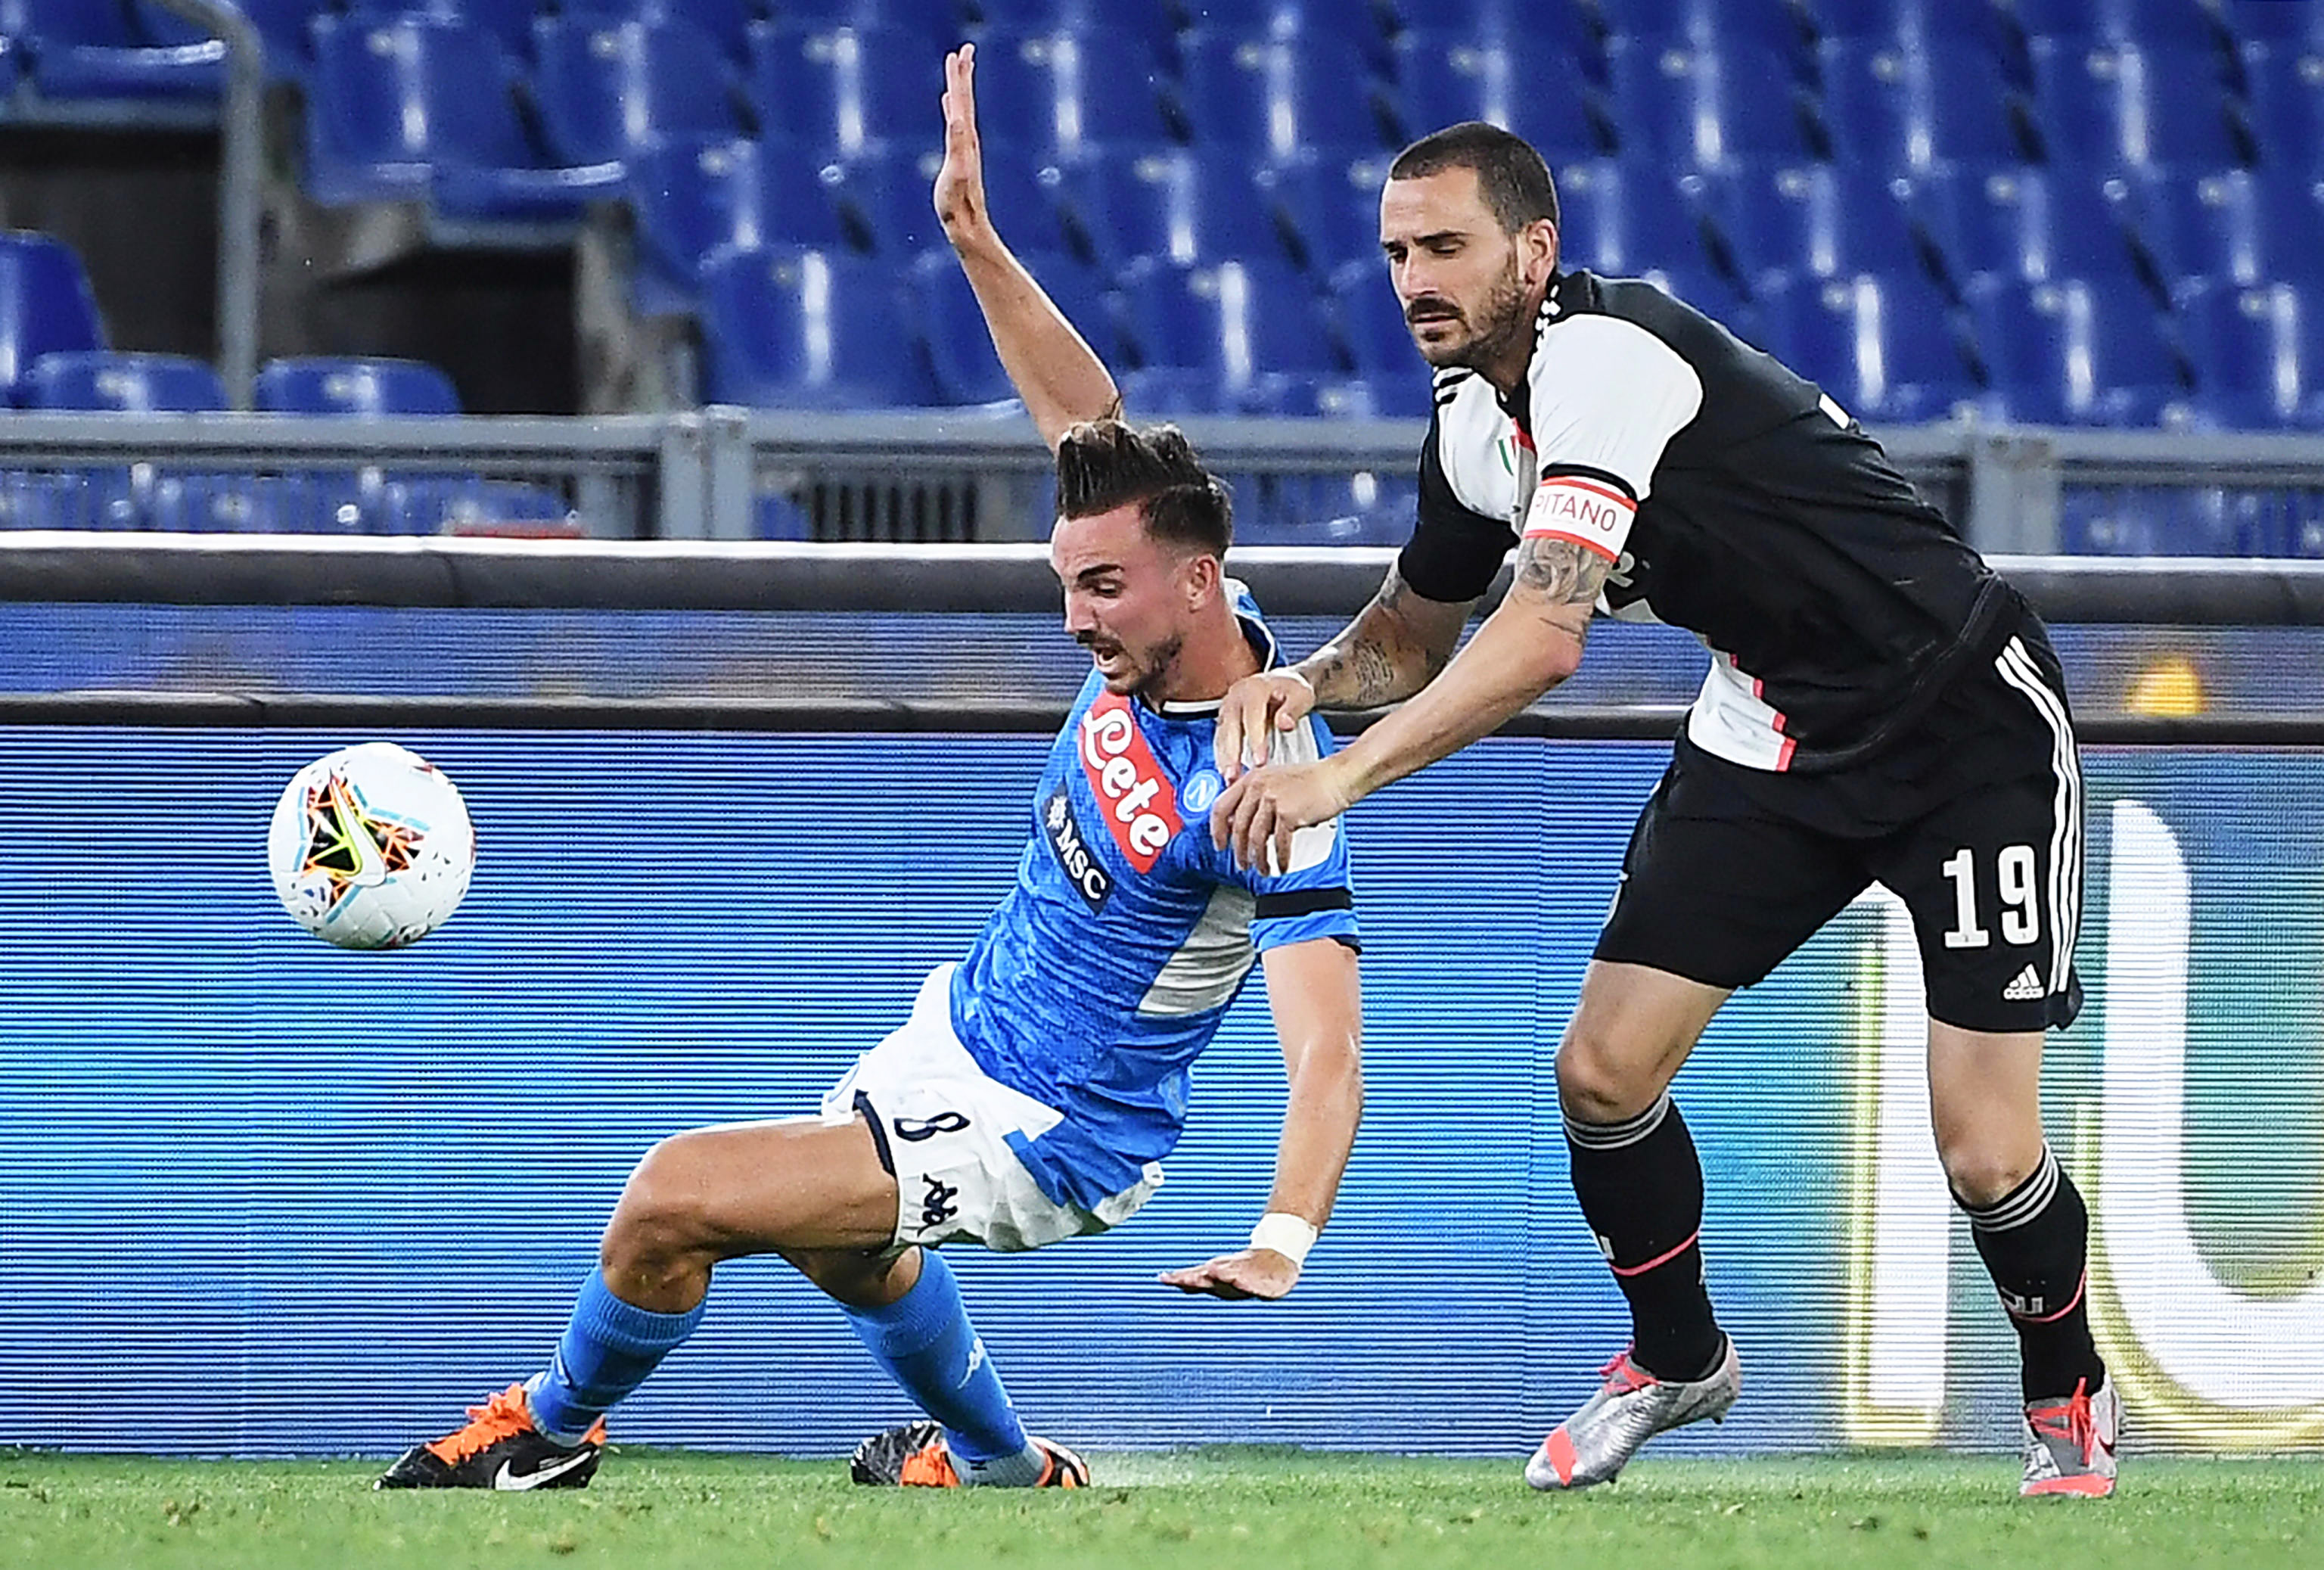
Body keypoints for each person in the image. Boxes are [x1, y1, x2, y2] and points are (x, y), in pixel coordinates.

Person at [374, 48, 1365, 1495]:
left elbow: (1326, 1045)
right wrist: (972, 236)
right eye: (1066, 584)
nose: (1076, 621)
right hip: (960, 1032)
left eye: (1102, 590)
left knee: (672, 1199)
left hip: (1054, 1128)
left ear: (1198, 583)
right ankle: (1005, 1468)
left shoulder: (1266, 774)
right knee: (850, 1254)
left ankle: (545, 1432)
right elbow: (1087, 420)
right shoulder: (1169, 610)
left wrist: (1284, 1238)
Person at [1206, 121, 2113, 1499]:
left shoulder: (1607, 362)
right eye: (1395, 254)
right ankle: (1678, 1358)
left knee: (1985, 1151)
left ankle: (2068, 1396)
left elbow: (1542, 639)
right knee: (1603, 1073)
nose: (1414, 281)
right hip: (1774, 727)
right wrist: (1307, 680)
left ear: (1535, 251)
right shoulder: (1469, 423)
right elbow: (1413, 634)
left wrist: (1335, 775)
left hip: (1962, 727)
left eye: (1445, 247)